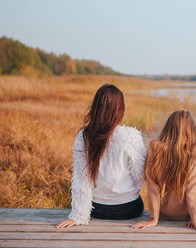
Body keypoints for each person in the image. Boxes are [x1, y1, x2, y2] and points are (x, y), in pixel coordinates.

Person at [57, 84, 146, 228]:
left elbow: (81, 179)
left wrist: (78, 216)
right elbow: (140, 176)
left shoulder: (84, 136)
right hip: (128, 209)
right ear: (120, 110)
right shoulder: (131, 136)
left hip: (97, 210)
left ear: (95, 108)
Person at [132, 110, 196, 234]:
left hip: (162, 214)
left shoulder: (154, 148)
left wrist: (154, 218)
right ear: (190, 129)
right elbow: (193, 190)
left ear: (168, 127)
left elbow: (152, 187)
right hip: (185, 215)